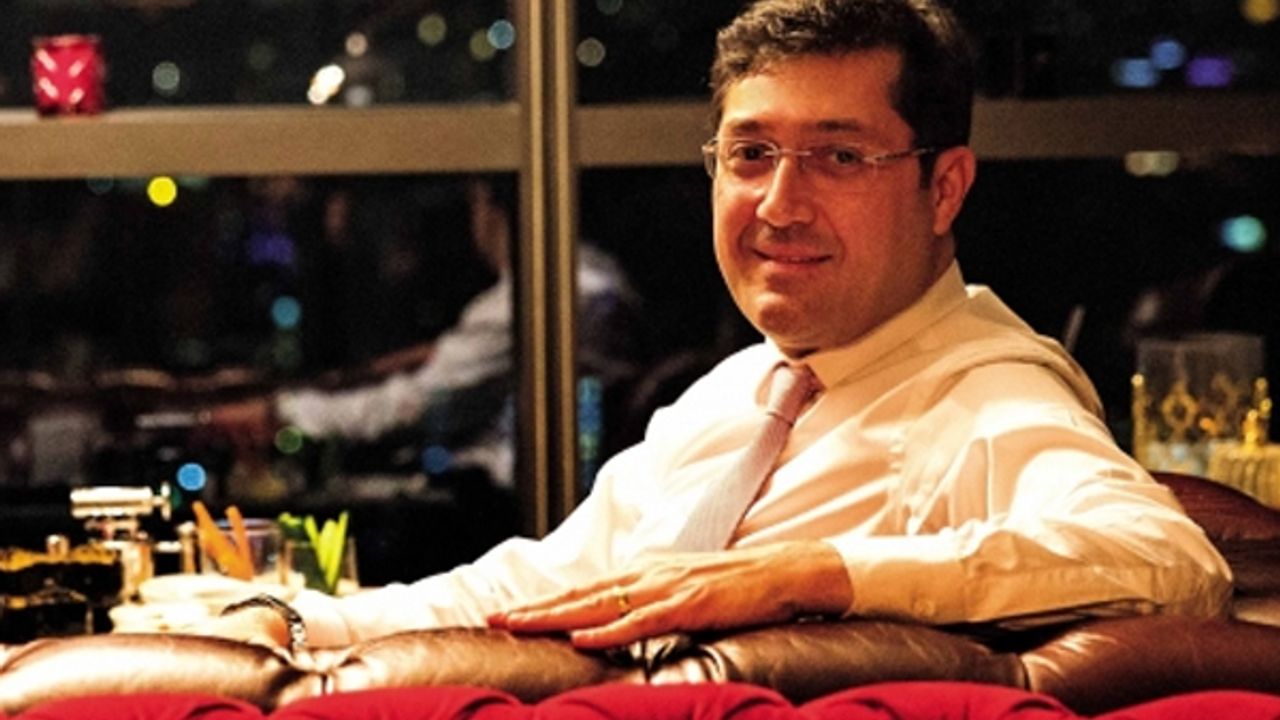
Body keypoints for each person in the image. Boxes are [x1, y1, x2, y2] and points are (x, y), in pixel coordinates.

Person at [201, 0, 1231, 653]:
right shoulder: (739, 392)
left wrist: (812, 575)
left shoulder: (989, 393)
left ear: (944, 187)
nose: (778, 204)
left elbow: (1165, 560)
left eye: (838, 156)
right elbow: (547, 580)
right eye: (750, 154)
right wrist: (296, 622)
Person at [207, 177, 644, 489]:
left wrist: (281, 412)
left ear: (491, 209)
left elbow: (411, 408)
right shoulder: (595, 277)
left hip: (517, 498)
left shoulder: (539, 297)